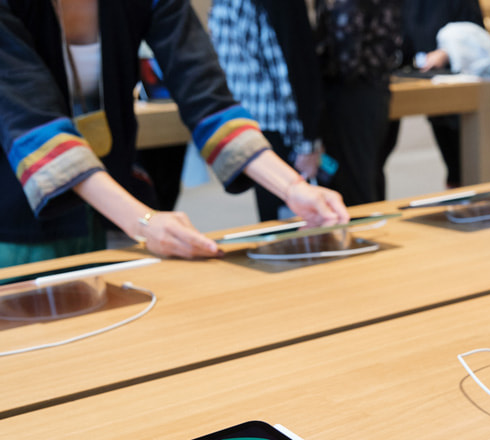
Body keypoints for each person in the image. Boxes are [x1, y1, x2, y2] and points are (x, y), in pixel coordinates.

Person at [0, 0, 348, 269]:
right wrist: (145, 222)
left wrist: (293, 188)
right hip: (18, 213)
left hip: (111, 202)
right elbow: (31, 120)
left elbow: (206, 94)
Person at [210, 0, 327, 222]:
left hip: (279, 126)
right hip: (254, 124)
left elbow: (299, 61)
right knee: (278, 221)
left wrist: (308, 142)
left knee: (297, 219)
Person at [383, 0, 484, 191]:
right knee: (378, 150)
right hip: (407, 75)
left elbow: (475, 34)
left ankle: (464, 201)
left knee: (460, 160)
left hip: (453, 80)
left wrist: (447, 52)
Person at [315, 0, 402, 206]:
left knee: (355, 187)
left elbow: (347, 59)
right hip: (372, 93)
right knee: (368, 178)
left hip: (352, 98)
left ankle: (366, 227)